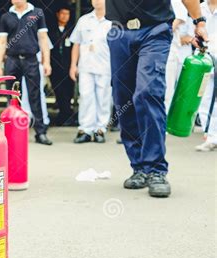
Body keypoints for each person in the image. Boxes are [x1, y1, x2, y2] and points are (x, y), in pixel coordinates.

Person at [106, 0, 208, 198]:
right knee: (122, 97)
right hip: (119, 32)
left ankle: (156, 170)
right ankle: (139, 167)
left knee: (147, 92)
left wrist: (200, 22)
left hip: (155, 29)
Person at [0, 0, 53, 145]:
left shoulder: (37, 13)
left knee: (35, 95)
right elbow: (2, 42)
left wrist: (46, 62)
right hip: (12, 59)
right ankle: (12, 132)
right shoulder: (6, 16)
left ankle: (40, 132)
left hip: (31, 59)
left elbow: (43, 39)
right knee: (12, 96)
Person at [69, 0, 112, 144]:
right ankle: (85, 130)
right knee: (86, 97)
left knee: (103, 98)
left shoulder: (112, 21)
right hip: (85, 66)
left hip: (105, 66)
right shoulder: (84, 20)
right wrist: (73, 65)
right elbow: (76, 43)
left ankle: (100, 129)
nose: (97, 1)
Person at [165, 0, 194, 112]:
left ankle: (165, 125)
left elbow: (174, 24)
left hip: (169, 49)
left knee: (168, 91)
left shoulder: (177, 3)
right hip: (147, 47)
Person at [195, 0, 217, 152]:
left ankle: (212, 136)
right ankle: (209, 134)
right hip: (203, 57)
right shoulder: (199, 8)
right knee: (203, 96)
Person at [50, 7, 75, 126]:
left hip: (69, 66)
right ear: (57, 14)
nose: (65, 16)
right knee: (58, 91)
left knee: (69, 90)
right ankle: (64, 114)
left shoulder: (72, 30)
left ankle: (67, 114)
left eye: (67, 14)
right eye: (63, 13)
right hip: (55, 66)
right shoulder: (51, 30)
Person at [21, 37, 53, 129]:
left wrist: (44, 64)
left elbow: (46, 48)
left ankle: (43, 120)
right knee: (23, 93)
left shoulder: (40, 31)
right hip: (22, 64)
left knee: (38, 93)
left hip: (37, 64)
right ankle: (25, 120)